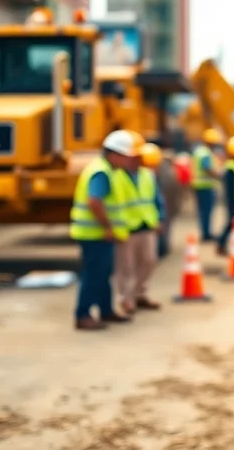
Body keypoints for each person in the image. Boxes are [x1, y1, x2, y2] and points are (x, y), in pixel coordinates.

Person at [70, 130, 136, 331]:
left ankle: (106, 310)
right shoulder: (101, 172)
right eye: (125, 156)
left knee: (103, 273)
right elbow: (94, 202)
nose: (127, 160)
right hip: (94, 234)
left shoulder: (108, 170)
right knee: (93, 275)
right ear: (114, 154)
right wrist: (107, 226)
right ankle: (83, 314)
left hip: (99, 234)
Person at [114, 139, 165, 314]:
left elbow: (157, 199)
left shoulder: (147, 175)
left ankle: (139, 294)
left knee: (149, 261)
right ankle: (126, 299)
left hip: (146, 225)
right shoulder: (117, 176)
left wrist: (160, 218)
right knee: (126, 267)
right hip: (126, 228)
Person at [192, 128, 222, 242]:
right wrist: (219, 175)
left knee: (202, 211)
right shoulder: (205, 154)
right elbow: (207, 168)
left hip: (198, 185)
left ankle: (205, 232)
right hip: (205, 186)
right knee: (206, 211)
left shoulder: (199, 151)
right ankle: (206, 234)